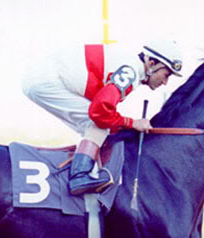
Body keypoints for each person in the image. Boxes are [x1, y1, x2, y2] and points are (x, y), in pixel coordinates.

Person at [22, 40, 183, 195]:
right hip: (46, 81)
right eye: (166, 74)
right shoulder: (131, 72)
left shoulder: (130, 67)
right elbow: (100, 111)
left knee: (99, 127)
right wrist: (133, 123)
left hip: (42, 78)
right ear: (152, 64)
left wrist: (123, 124)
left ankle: (87, 168)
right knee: (98, 124)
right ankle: (79, 175)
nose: (165, 82)